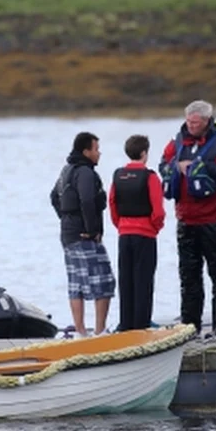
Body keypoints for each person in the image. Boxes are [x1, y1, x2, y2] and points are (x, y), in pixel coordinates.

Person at [160, 100, 216, 335]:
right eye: (189, 121)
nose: (191, 126)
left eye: (196, 123)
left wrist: (204, 167)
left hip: (214, 219)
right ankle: (190, 326)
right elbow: (163, 163)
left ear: (207, 121)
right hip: (185, 219)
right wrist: (177, 167)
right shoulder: (176, 143)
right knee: (188, 276)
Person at [50, 131, 114, 336]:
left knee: (76, 282)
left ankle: (80, 331)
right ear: (86, 151)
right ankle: (100, 330)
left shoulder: (67, 170)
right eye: (96, 149)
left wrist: (66, 219)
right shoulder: (85, 172)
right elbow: (87, 200)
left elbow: (54, 197)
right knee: (103, 281)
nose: (99, 153)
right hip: (84, 236)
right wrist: (91, 229)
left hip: (68, 235)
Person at [109, 134, 165, 332]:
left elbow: (112, 204)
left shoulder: (118, 175)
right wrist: (155, 227)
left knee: (126, 280)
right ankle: (141, 326)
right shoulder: (150, 177)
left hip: (124, 234)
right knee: (144, 281)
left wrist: (121, 225)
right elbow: (157, 210)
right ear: (144, 153)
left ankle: (126, 325)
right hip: (145, 234)